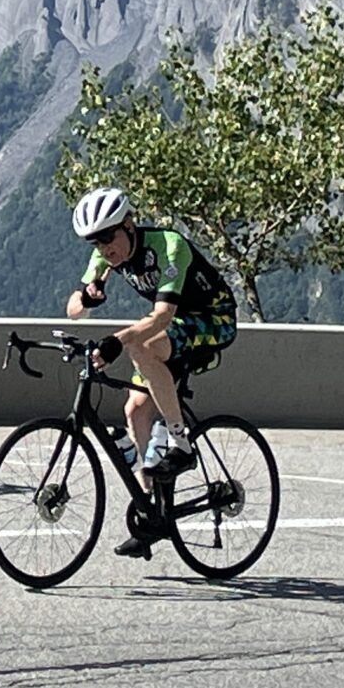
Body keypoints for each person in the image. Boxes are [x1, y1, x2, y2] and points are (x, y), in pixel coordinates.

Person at [63, 186, 239, 555]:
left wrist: (117, 339)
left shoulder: (170, 246)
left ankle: (181, 443)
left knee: (141, 345)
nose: (104, 248)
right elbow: (72, 311)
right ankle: (152, 513)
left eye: (108, 237)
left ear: (129, 224)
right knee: (134, 412)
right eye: (95, 243)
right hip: (172, 328)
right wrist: (87, 296)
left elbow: (162, 317)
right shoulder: (106, 259)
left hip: (212, 320)